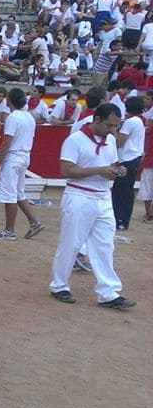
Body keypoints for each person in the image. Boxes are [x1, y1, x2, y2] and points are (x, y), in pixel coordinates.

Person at [48, 104, 136, 310]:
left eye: (116, 126)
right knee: (71, 243)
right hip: (79, 195)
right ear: (96, 120)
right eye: (109, 125)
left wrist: (119, 170)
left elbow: (112, 164)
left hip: (103, 197)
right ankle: (59, 285)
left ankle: (108, 292)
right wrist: (100, 170)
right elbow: (66, 170)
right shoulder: (75, 140)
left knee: (105, 245)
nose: (113, 130)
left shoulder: (111, 139)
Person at [0, 88, 44, 241]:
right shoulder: (29, 117)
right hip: (25, 156)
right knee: (19, 193)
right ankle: (34, 222)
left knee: (10, 196)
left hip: (13, 158)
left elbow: (6, 143)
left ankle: (9, 231)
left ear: (9, 101)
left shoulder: (13, 118)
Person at [111, 96, 145, 230]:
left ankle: (121, 220)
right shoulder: (138, 121)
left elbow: (119, 142)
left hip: (128, 160)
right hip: (133, 158)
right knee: (124, 190)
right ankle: (121, 220)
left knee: (121, 191)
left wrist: (113, 131)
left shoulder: (130, 122)